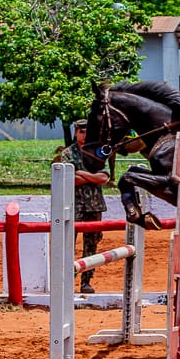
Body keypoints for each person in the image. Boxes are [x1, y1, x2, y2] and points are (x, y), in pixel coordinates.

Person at [55, 119, 109, 293]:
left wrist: (81, 173)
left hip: (94, 205)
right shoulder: (68, 153)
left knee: (91, 244)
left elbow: (105, 178)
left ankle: (86, 281)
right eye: (81, 132)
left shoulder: (98, 152)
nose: (84, 135)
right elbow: (68, 179)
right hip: (73, 205)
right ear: (76, 132)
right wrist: (91, 176)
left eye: (88, 132)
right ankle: (65, 280)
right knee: (68, 242)